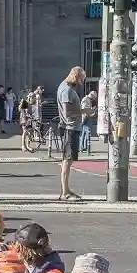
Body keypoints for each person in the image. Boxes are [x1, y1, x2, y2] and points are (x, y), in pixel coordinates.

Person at [56, 67, 87, 200]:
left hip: (71, 128)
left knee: (67, 160)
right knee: (67, 160)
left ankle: (66, 190)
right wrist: (85, 111)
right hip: (70, 128)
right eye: (81, 79)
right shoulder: (67, 90)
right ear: (76, 76)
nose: (81, 82)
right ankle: (65, 193)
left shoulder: (66, 88)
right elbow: (67, 113)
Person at [79, 88, 98, 153]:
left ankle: (84, 147)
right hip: (85, 118)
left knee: (85, 132)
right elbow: (84, 110)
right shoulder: (85, 100)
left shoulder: (87, 100)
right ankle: (83, 147)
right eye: (94, 98)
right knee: (86, 133)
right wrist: (92, 110)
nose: (93, 99)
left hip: (86, 117)